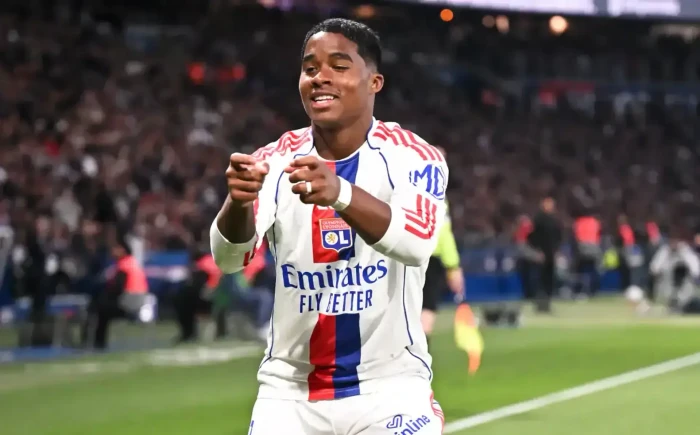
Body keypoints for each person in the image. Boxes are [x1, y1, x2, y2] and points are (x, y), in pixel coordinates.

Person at [211, 19, 447, 435]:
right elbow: (230, 259)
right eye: (310, 68)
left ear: (374, 82)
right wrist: (239, 203)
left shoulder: (413, 156)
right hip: (290, 394)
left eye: (338, 66)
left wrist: (340, 192)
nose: (320, 77)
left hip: (390, 388)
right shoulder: (274, 159)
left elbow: (415, 243)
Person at [421, 146, 464, 348]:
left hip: (402, 255)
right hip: (430, 257)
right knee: (427, 308)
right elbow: (443, 233)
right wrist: (453, 266)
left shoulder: (402, 187)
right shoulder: (436, 194)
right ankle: (419, 356)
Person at [528, 196, 561, 313]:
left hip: (551, 254)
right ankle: (540, 304)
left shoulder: (555, 220)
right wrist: (537, 251)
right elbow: (533, 237)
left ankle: (548, 304)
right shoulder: (538, 220)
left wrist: (557, 251)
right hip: (541, 253)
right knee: (540, 279)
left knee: (550, 279)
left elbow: (558, 237)